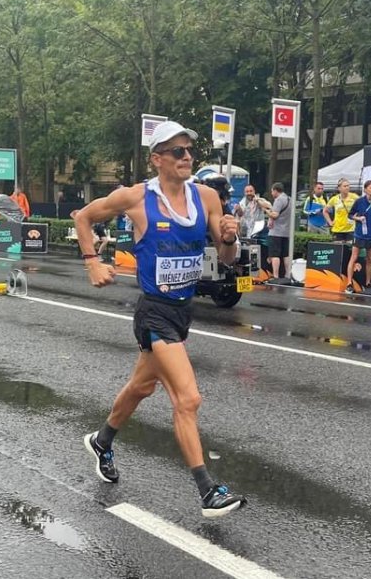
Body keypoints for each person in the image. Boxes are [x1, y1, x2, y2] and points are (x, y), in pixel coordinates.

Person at [72, 120, 246, 518]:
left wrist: (231, 238)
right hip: (154, 312)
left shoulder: (206, 198)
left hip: (183, 312)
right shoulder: (134, 197)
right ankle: (208, 490)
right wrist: (91, 262)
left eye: (189, 151)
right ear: (157, 159)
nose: (187, 158)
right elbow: (83, 217)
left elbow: (226, 260)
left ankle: (102, 440)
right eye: (177, 152)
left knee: (140, 387)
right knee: (188, 398)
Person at [345, 180, 371, 293]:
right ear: (365, 189)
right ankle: (349, 282)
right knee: (354, 256)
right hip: (359, 234)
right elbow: (350, 215)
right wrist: (358, 218)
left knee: (370, 258)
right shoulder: (359, 201)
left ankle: (368, 282)